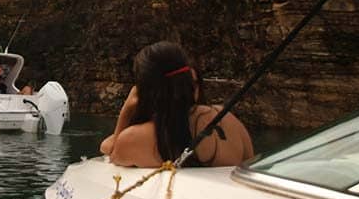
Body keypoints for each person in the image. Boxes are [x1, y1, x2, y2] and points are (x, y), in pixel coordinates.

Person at [99, 41, 254, 168]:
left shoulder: (135, 138)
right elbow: (250, 161)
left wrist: (127, 110)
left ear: (145, 90)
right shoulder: (226, 118)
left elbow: (113, 153)